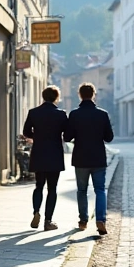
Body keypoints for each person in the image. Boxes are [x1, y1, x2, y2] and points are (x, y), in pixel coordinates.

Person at [64, 82, 114, 235]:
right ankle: (100, 219)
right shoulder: (103, 114)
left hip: (81, 157)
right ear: (94, 94)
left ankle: (83, 220)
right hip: (98, 157)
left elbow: (67, 137)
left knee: (82, 190)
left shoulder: (74, 114)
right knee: (100, 189)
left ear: (79, 95)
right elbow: (109, 137)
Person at [22, 85, 67, 231]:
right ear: (56, 97)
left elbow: (26, 132)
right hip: (54, 154)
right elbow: (67, 135)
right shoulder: (61, 114)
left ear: (43, 96)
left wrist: (38, 137)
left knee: (38, 186)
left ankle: (36, 212)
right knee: (52, 188)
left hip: (39, 152)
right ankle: (48, 221)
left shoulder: (34, 112)